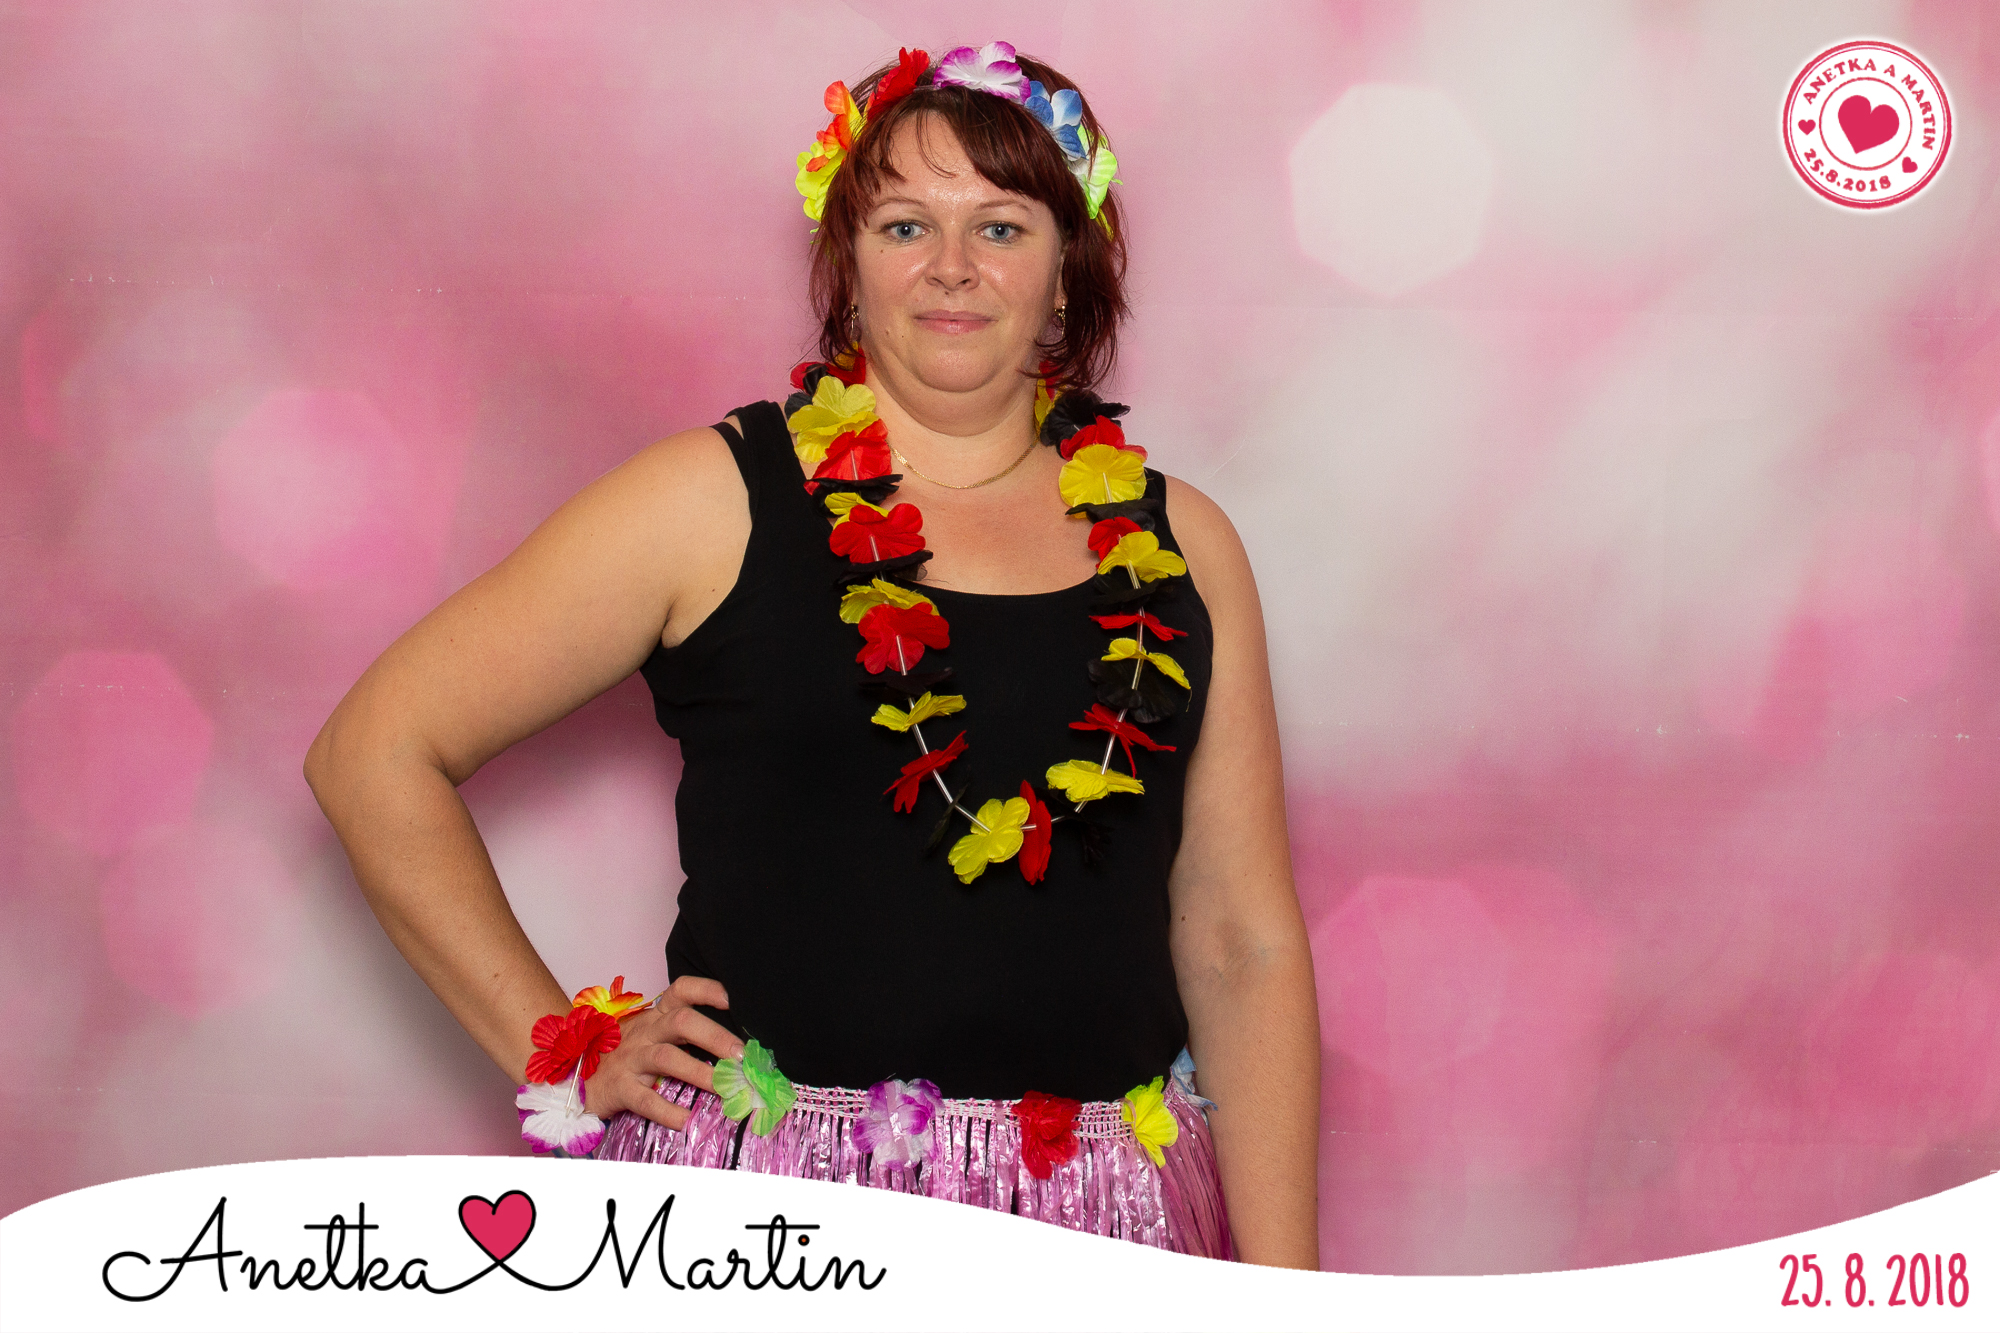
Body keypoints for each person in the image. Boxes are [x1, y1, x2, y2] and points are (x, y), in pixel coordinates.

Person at [304, 42, 1319, 1267]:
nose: (950, 266)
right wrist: (555, 1048)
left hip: (1108, 1228)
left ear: (1068, 273)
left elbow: (1240, 943)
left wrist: (1285, 1301)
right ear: (847, 262)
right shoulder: (709, 502)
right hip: (775, 1226)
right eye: (905, 225)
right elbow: (375, 752)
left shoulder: (1183, 547)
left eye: (1000, 228)